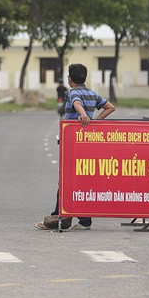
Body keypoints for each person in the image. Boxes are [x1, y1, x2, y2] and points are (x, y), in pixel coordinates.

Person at [36, 64, 115, 230]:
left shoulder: (73, 92)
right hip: (86, 143)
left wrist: (84, 115)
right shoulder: (91, 93)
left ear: (69, 79)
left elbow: (77, 103)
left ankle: (58, 216)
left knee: (66, 179)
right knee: (80, 179)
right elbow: (110, 107)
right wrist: (96, 121)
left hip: (73, 143)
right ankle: (82, 220)